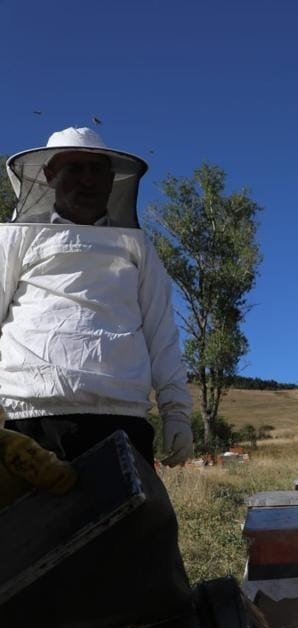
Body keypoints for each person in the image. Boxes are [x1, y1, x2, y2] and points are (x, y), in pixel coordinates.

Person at [1, 127, 193, 467]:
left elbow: (161, 333)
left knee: (133, 521)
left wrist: (176, 413)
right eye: (74, 168)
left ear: (111, 179)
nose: (87, 180)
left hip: (123, 416)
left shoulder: (137, 247)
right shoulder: (15, 239)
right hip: (33, 417)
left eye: (97, 169)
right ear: (50, 175)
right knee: (38, 521)